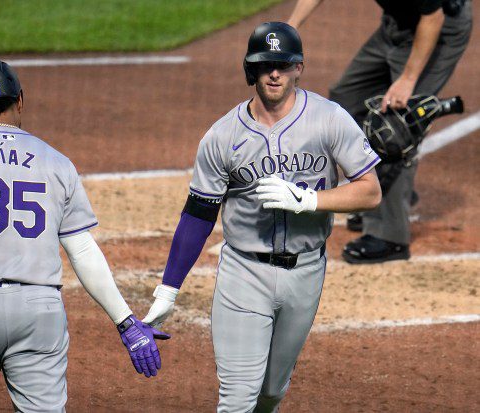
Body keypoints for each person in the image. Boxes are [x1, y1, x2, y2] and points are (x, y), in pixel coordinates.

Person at [142, 22, 382, 412]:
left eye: (284, 65)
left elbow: (371, 191)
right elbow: (198, 215)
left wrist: (309, 201)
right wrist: (169, 289)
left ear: (299, 68)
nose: (275, 73)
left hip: (306, 272)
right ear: (250, 69)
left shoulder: (329, 119)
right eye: (266, 64)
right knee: (237, 398)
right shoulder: (222, 136)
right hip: (244, 273)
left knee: (271, 392)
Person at [0, 59, 169, 412]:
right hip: (40, 313)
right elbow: (81, 248)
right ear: (20, 100)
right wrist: (126, 322)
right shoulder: (57, 162)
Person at [287, 0, 472, 263]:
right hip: (395, 27)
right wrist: (292, 26)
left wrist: (407, 80)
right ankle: (378, 193)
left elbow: (432, 19)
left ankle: (391, 236)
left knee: (397, 125)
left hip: (438, 30)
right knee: (347, 99)